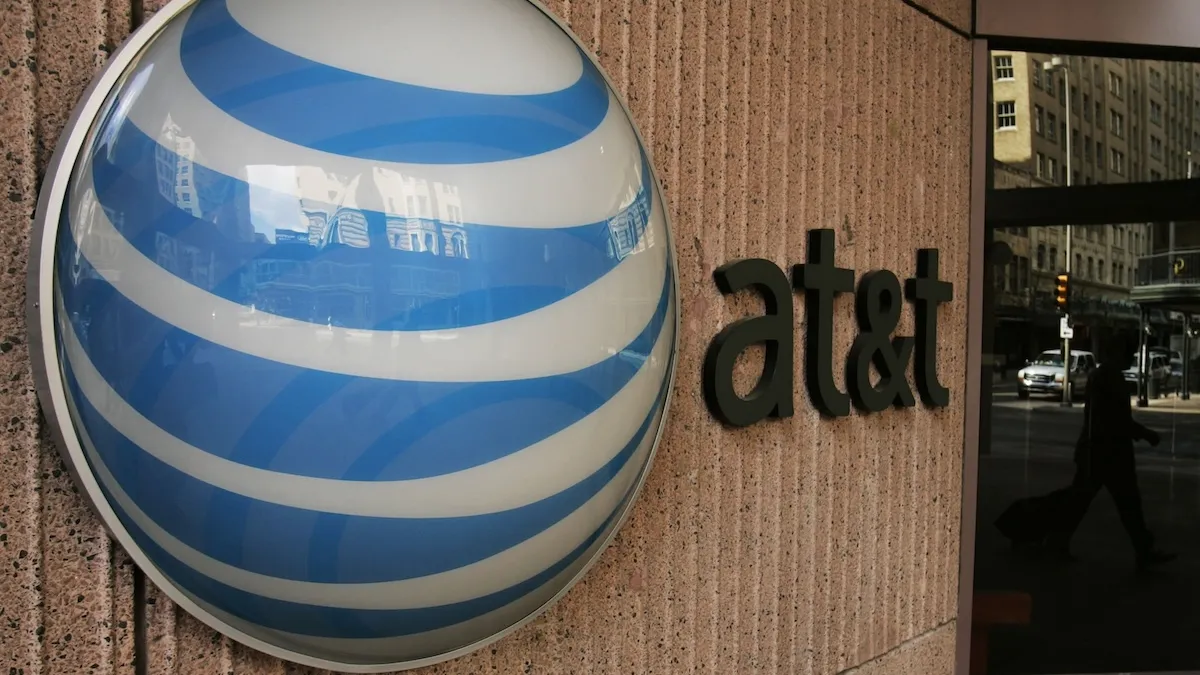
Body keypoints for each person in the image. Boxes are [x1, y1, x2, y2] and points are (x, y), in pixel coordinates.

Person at [1043, 339, 1176, 570]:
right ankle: (1143, 551)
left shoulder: (1103, 376)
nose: (1130, 358)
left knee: (1086, 502)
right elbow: (1115, 418)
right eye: (1128, 353)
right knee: (1125, 504)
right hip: (1108, 453)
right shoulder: (1109, 378)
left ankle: (1058, 542)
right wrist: (1144, 433)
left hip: (1099, 452)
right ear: (1117, 354)